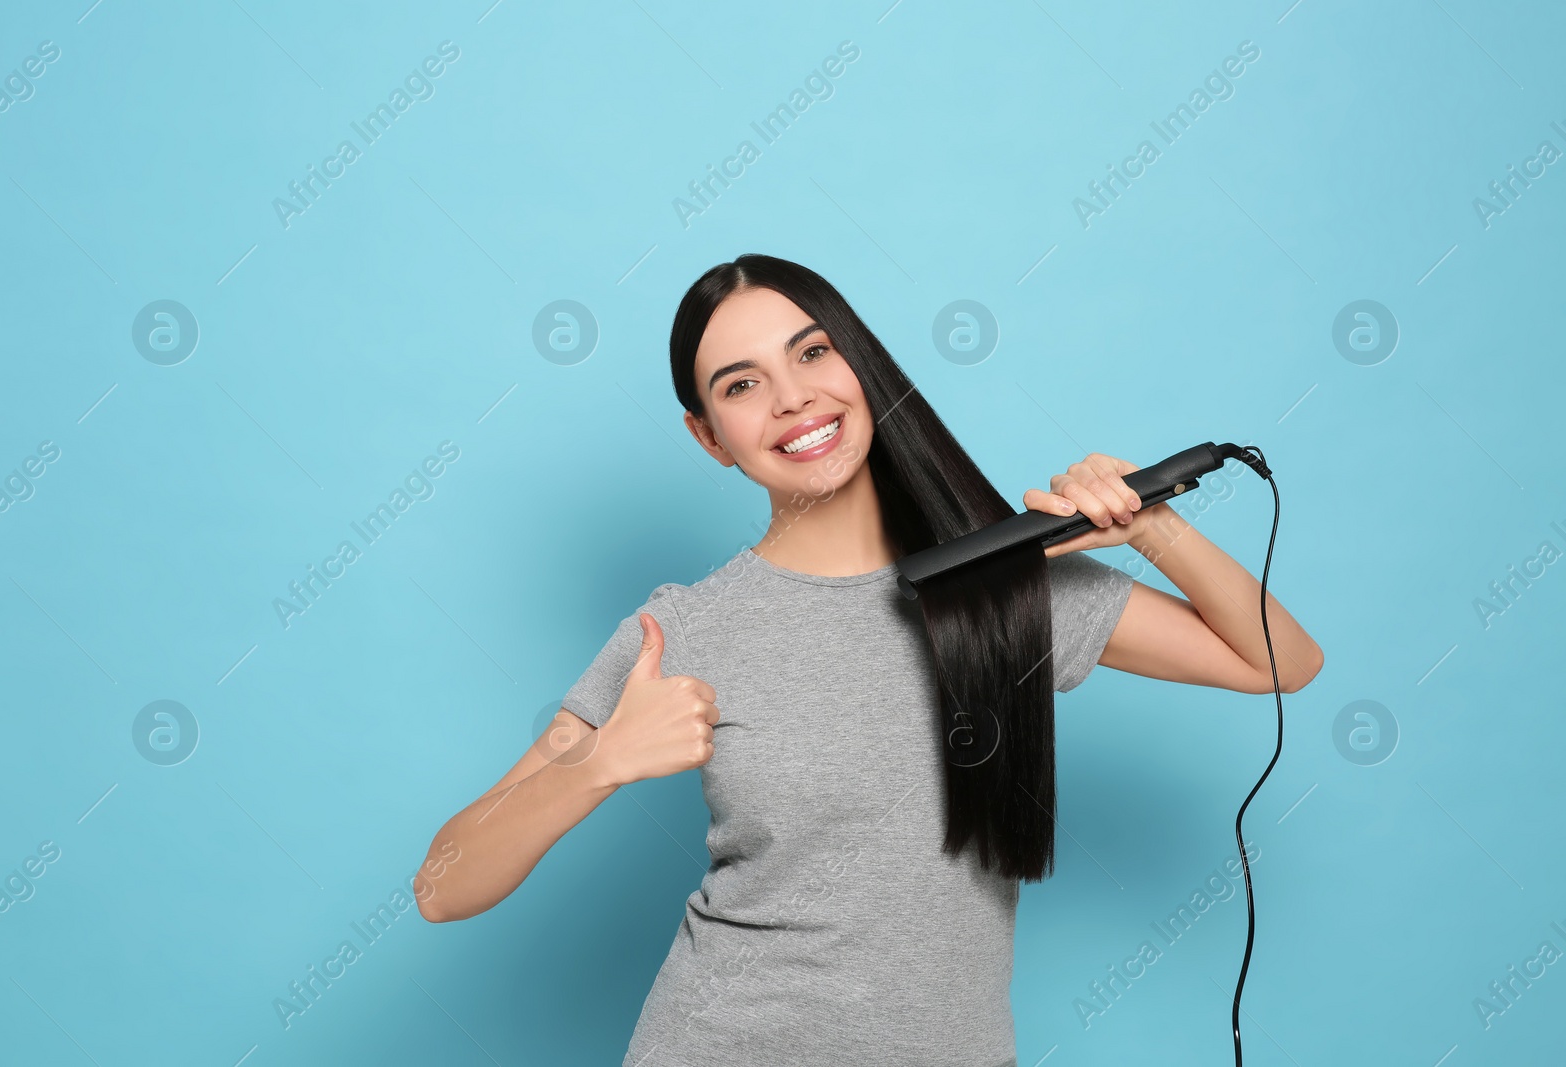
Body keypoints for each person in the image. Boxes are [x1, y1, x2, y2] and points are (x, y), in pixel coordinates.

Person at [414, 254, 1324, 1066]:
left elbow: (1281, 660)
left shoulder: (1005, 586)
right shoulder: (682, 632)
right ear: (708, 436)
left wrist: (1147, 523)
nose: (792, 398)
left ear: (861, 363)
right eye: (741, 385)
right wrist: (603, 762)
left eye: (813, 353)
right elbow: (442, 886)